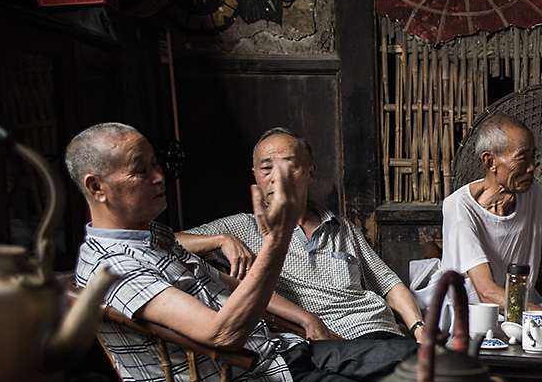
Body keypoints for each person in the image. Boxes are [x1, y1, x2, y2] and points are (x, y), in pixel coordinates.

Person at [67, 123, 417, 382]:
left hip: (280, 354)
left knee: (416, 359)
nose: (159, 177)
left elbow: (230, 283)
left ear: (310, 172)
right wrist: (276, 241)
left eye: (156, 164)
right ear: (97, 187)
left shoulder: (154, 238)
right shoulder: (113, 267)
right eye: (141, 171)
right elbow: (221, 334)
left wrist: (303, 317)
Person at [179, 128, 426, 341]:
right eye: (267, 168)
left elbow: (388, 283)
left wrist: (418, 327)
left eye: (290, 166)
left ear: (310, 173)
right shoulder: (241, 227)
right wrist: (222, 240)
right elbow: (166, 241)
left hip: (383, 331)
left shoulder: (340, 227)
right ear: (255, 175)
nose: (278, 177)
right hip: (331, 341)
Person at [440, 113, 542, 322]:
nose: (532, 166)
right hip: (474, 321)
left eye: (533, 155)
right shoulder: (461, 208)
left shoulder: (531, 192)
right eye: (522, 157)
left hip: (524, 311)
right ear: (490, 162)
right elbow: (486, 293)